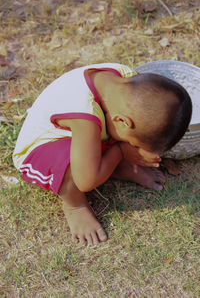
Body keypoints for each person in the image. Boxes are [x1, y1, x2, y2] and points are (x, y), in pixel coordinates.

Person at [13, 63, 192, 246]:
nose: (133, 147)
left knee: (125, 130)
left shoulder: (126, 83)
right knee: (75, 169)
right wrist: (122, 151)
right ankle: (74, 204)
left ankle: (116, 166)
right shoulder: (85, 118)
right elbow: (85, 180)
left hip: (89, 132)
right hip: (43, 148)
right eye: (134, 144)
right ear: (122, 121)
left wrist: (131, 147)